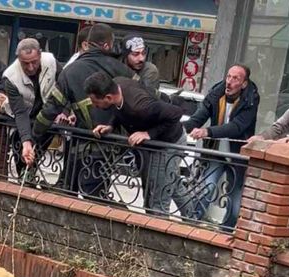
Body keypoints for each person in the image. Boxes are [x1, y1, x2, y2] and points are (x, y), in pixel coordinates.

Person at [32, 23, 134, 195]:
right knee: (95, 199)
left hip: (78, 145)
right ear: (107, 45)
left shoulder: (70, 71)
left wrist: (34, 136)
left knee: (67, 195)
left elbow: (50, 109)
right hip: (109, 148)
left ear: (87, 43)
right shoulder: (123, 69)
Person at [86, 72, 190, 215]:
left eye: (95, 102)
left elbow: (176, 113)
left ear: (108, 97)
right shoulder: (117, 84)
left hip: (169, 142)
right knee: (169, 182)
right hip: (157, 143)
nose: (94, 106)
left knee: (157, 195)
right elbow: (118, 111)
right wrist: (110, 126)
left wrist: (148, 134)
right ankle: (195, 216)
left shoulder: (140, 105)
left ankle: (160, 227)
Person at [184, 64, 259, 229]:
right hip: (216, 151)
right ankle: (189, 225)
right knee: (206, 188)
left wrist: (207, 131)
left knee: (235, 199)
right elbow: (199, 116)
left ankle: (226, 233)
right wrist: (181, 128)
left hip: (237, 155)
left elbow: (236, 127)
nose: (229, 82)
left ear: (244, 83)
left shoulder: (251, 100)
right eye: (228, 77)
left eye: (235, 78)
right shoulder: (216, 94)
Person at [1, 38, 57, 175]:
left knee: (43, 138)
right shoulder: (10, 77)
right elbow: (20, 112)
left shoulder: (50, 60)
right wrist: (26, 142)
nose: (31, 67)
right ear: (18, 59)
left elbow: (64, 87)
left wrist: (65, 111)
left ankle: (30, 175)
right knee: (20, 143)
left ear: (40, 54)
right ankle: (24, 174)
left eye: (34, 62)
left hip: (47, 113)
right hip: (25, 114)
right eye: (25, 63)